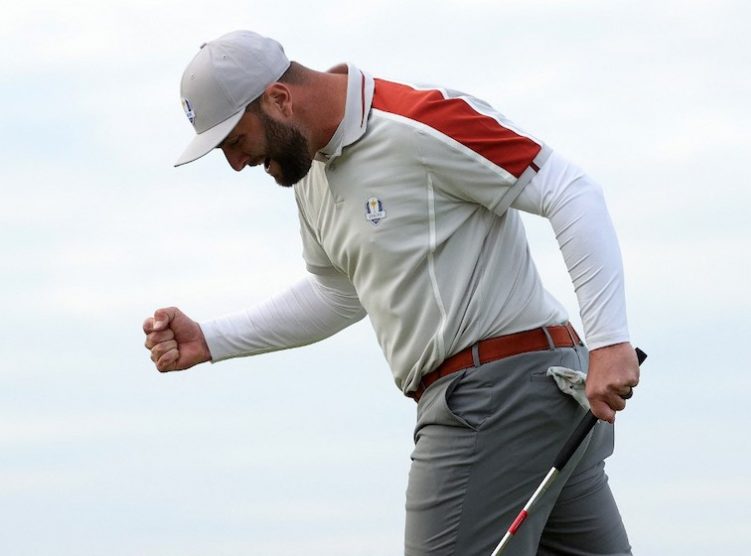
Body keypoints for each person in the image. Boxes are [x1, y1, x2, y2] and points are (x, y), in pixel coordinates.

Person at [143, 30, 641, 555]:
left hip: (492, 397)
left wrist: (610, 339)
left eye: (236, 142)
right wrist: (212, 338)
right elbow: (337, 293)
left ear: (279, 99)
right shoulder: (312, 174)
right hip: (529, 396)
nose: (237, 164)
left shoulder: (421, 118)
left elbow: (570, 191)